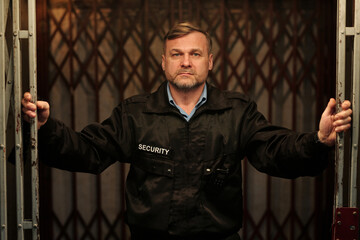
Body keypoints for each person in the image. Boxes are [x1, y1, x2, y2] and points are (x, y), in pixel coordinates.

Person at [22, 22, 352, 240]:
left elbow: (274, 152)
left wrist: (317, 140)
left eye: (195, 54)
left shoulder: (237, 111)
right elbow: (90, 152)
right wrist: (45, 128)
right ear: (163, 62)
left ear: (210, 61)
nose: (185, 62)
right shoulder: (135, 112)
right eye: (177, 54)